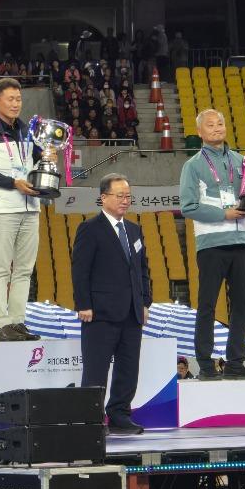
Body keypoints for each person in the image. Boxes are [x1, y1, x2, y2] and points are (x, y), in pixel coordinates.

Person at [179, 109, 245, 381]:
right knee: (207, 305)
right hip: (211, 243)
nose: (217, 128)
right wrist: (223, 214)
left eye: (220, 123)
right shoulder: (193, 165)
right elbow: (188, 206)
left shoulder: (242, 161)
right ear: (200, 132)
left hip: (241, 241)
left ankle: (235, 363)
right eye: (210, 125)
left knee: (242, 304)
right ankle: (205, 365)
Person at [0, 78, 56, 342]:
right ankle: (2, 324)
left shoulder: (28, 132)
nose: (15, 104)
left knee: (24, 269)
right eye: (10, 99)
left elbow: (36, 165)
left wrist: (48, 159)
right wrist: (13, 183)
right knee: (1, 269)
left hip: (31, 207)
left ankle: (18, 321)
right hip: (3, 209)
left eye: (18, 99)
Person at [72, 173, 151, 435]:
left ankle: (119, 415)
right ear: (103, 197)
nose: (125, 200)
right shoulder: (90, 228)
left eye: (128, 196)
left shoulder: (134, 230)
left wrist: (145, 302)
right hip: (100, 313)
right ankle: (91, 419)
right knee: (96, 370)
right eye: (119, 196)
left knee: (128, 369)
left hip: (132, 312)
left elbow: (142, 269)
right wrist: (83, 304)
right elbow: (80, 270)